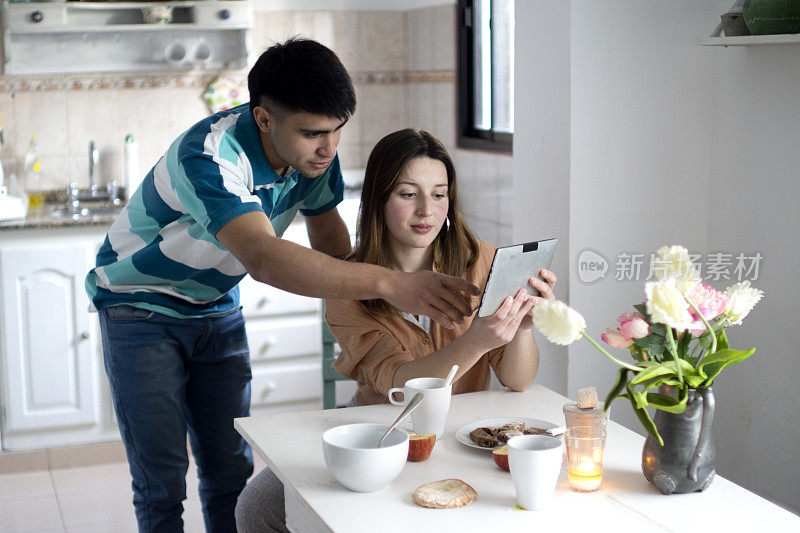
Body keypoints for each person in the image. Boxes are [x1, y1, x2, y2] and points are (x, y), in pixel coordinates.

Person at [86, 39, 478, 533]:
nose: (329, 148)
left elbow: (332, 246)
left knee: (229, 468)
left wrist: (386, 299)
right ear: (265, 119)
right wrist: (391, 282)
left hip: (215, 305)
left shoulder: (314, 154)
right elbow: (265, 258)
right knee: (161, 480)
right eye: (314, 133)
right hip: (139, 308)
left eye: (337, 131)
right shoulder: (209, 157)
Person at [234, 128, 556, 531]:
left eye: (439, 194)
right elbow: (400, 388)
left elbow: (518, 381)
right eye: (408, 194)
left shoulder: (483, 262)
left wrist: (522, 329)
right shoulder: (348, 285)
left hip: (464, 434)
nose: (427, 210)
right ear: (378, 199)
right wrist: (477, 341)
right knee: (257, 507)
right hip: (382, 431)